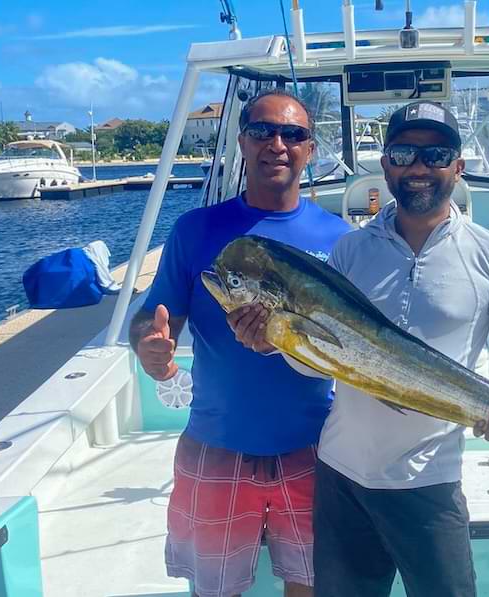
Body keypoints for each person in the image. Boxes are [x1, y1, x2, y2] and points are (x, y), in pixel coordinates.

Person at [314, 101, 489, 596]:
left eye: (435, 154)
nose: (418, 168)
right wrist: (269, 340)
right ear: (385, 166)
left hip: (430, 481)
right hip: (341, 477)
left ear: (458, 167)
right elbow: (316, 351)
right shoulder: (349, 251)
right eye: (403, 154)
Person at [129, 88, 350, 597]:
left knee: (313, 587)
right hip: (216, 444)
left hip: (317, 448)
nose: (278, 143)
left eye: (293, 134)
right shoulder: (195, 230)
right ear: (242, 142)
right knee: (215, 588)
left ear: (310, 149)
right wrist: (151, 345)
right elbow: (153, 316)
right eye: (262, 131)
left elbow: (347, 346)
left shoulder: (340, 239)